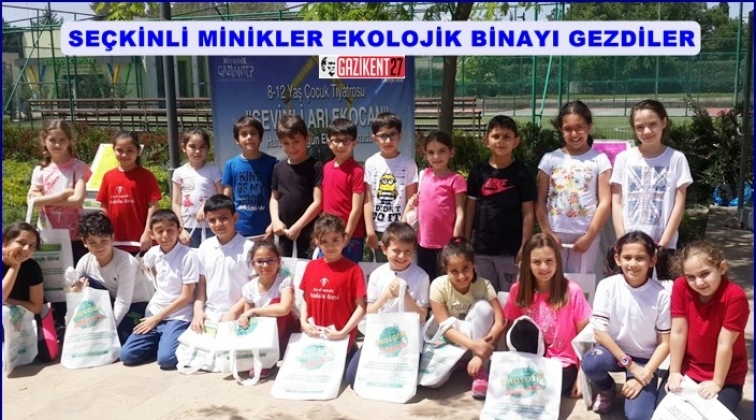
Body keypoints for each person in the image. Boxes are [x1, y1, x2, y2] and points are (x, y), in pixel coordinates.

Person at [581, 231, 671, 419]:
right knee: (591, 362)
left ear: (652, 261)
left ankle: (642, 389)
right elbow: (600, 333)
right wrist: (630, 366)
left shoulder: (662, 294)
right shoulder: (607, 286)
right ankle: (607, 389)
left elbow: (665, 343)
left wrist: (643, 374)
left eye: (640, 258)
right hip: (614, 353)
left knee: (639, 416)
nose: (633, 264)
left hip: (645, 361)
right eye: (627, 257)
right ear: (618, 259)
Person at [656, 241, 749, 415]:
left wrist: (717, 383)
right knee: (664, 413)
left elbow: (724, 343)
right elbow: (678, 331)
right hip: (688, 367)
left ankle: (734, 393)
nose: (698, 282)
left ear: (722, 268)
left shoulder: (735, 296)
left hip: (726, 374)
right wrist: (674, 372)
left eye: (705, 274)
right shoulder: (681, 286)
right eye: (690, 276)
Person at [503, 233, 592, 398]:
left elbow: (585, 338)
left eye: (549, 261)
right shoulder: (517, 290)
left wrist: (581, 376)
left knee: (540, 391)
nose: (543, 267)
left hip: (562, 363)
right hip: (528, 362)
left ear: (557, 261)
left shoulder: (572, 291)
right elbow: (513, 333)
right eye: (537, 262)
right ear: (528, 264)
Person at [611, 100, 693, 278]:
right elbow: (616, 202)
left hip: (663, 247)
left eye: (652, 124)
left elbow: (678, 205)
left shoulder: (677, 158)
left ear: (664, 122)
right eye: (640, 127)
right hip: (630, 248)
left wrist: (662, 245)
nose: (647, 131)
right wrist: (622, 241)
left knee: (662, 292)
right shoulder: (623, 158)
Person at [27, 119, 92, 336]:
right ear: (44, 141)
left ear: (69, 141)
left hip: (74, 235)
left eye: (62, 140)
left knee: (75, 278)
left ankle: (80, 322)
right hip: (48, 234)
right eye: (52, 140)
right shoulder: (40, 170)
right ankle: (58, 324)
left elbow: (77, 199)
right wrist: (62, 195)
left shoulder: (78, 167)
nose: (57, 144)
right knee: (54, 281)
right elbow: (32, 200)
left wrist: (47, 199)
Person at [345, 222, 430, 388]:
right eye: (396, 250)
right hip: (382, 335)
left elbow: (422, 316)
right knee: (353, 378)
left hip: (408, 337)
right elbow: (370, 311)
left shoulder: (421, 277)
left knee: (408, 380)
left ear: (414, 250)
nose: (401, 256)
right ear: (384, 249)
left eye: (407, 251)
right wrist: (384, 298)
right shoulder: (377, 275)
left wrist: (405, 295)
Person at [536, 101, 611, 275]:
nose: (574, 134)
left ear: (589, 126)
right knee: (552, 279)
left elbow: (605, 202)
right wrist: (548, 233)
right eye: (568, 129)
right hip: (555, 234)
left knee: (581, 282)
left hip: (585, 234)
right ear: (560, 130)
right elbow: (539, 200)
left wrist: (589, 237)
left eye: (580, 128)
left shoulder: (600, 160)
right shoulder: (549, 159)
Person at [119, 210, 199, 370]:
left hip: (178, 315)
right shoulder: (153, 253)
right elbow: (147, 267)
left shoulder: (188, 256)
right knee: (127, 355)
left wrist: (156, 318)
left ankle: (168, 342)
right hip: (155, 311)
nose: (165, 235)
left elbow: (186, 296)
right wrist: (154, 317)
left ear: (178, 230)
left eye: (170, 230)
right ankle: (162, 341)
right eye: (159, 231)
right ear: (151, 234)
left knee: (166, 360)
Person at [465, 116, 536, 293]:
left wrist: (525, 246)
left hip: (510, 251)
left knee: (509, 296)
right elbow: (470, 208)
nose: (501, 141)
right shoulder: (478, 171)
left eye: (506, 137)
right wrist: (466, 241)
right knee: (486, 296)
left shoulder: (522, 174)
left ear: (516, 141)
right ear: (486, 140)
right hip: (482, 249)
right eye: (496, 136)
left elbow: (528, 213)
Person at [428, 237, 505, 399]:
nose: (462, 276)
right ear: (446, 270)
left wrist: (480, 354)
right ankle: (459, 362)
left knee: (484, 308)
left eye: (465, 269)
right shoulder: (438, 285)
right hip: (450, 340)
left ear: (474, 264)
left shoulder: (483, 285)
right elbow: (444, 326)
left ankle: (480, 372)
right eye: (454, 271)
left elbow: (500, 320)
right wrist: (474, 345)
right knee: (434, 383)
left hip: (477, 346)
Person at [70, 212, 153, 345]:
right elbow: (74, 294)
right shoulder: (84, 262)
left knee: (118, 341)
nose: (99, 247)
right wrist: (75, 290)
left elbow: (123, 302)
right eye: (93, 242)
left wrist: (108, 328)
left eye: (104, 241)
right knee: (83, 280)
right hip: (108, 301)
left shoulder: (126, 262)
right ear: (84, 242)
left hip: (135, 304)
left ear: (112, 237)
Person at [299, 214, 366, 362]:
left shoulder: (353, 270)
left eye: (335, 240)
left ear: (344, 239)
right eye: (324, 241)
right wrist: (303, 322)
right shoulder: (311, 267)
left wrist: (343, 332)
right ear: (317, 242)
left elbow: (361, 308)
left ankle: (351, 353)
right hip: (314, 336)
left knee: (345, 372)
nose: (330, 246)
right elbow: (305, 299)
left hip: (340, 338)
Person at [230, 240, 300, 378]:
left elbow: (284, 309)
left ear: (278, 262)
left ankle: (269, 361)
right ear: (252, 264)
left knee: (276, 303)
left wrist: (255, 311)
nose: (265, 265)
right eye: (260, 261)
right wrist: (246, 316)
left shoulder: (284, 281)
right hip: (265, 335)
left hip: (287, 331)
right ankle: (257, 357)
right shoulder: (249, 287)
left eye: (270, 260)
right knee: (247, 322)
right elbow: (248, 316)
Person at [403, 131, 466, 280]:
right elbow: (420, 202)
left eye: (442, 151)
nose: (436, 156)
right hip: (423, 242)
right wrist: (414, 201)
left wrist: (456, 239)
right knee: (426, 281)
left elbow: (460, 211)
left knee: (446, 282)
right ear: (425, 154)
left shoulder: (456, 179)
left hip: (447, 244)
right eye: (431, 152)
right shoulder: (423, 175)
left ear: (451, 152)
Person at [190, 194, 255, 332]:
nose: (218, 224)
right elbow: (201, 284)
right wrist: (198, 311)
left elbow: (255, 286)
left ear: (235, 218)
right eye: (212, 220)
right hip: (209, 314)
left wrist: (233, 312)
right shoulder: (205, 246)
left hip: (240, 315)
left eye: (223, 218)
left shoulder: (249, 248)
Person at [363, 113, 418, 263]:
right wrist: (370, 231)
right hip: (378, 230)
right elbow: (368, 200)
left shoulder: (408, 164)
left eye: (392, 134)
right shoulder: (371, 163)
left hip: (400, 229)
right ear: (374, 138)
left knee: (402, 266)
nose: (388, 141)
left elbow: (412, 201)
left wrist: (403, 227)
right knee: (381, 270)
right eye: (383, 136)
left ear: (400, 136)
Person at [97, 131, 162, 255]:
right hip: (115, 240)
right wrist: (103, 232)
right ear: (114, 150)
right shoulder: (108, 176)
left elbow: (153, 206)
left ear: (138, 151)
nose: (124, 154)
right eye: (119, 150)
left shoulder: (146, 176)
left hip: (141, 242)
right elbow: (104, 207)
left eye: (130, 150)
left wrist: (147, 232)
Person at [270, 114, 323, 258]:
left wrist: (298, 226)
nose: (291, 147)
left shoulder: (316, 166)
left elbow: (318, 202)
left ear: (307, 139)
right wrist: (275, 221)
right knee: (284, 269)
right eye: (286, 143)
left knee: (307, 269)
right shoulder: (278, 167)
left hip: (307, 233)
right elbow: (274, 198)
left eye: (296, 142)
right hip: (283, 232)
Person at [1, 222, 55, 362]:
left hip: (27, 317)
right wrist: (14, 267)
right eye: (21, 243)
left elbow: (36, 307)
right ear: (5, 242)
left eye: (31, 246)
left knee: (47, 354)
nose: (26, 249)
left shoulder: (32, 267)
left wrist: (8, 301)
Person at [221, 116, 278, 239]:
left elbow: (276, 196)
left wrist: (274, 222)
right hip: (239, 229)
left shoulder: (272, 163)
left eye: (253, 133)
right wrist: (228, 224)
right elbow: (226, 197)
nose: (249, 137)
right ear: (237, 139)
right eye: (244, 134)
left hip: (266, 229)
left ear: (260, 138)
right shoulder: (231, 165)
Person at [322, 118, 366, 263]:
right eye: (336, 140)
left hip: (351, 235)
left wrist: (347, 233)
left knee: (349, 270)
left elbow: (357, 208)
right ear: (329, 142)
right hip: (329, 233)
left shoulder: (357, 171)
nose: (341, 145)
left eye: (346, 140)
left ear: (354, 143)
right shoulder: (326, 167)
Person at [171, 128, 222, 248]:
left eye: (202, 147)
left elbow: (222, 196)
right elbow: (176, 203)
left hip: (211, 226)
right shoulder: (179, 173)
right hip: (187, 227)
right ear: (184, 147)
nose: (197, 151)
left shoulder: (214, 171)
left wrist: (206, 207)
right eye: (192, 146)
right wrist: (180, 229)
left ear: (208, 148)